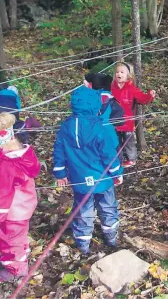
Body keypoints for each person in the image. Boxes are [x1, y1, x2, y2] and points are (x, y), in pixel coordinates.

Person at [53, 87, 124, 254]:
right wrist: (117, 173)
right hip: (103, 178)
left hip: (80, 179)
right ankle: (111, 236)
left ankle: (83, 243)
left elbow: (58, 150)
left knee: (83, 210)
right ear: (94, 106)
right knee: (107, 206)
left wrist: (60, 173)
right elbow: (109, 155)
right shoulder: (99, 127)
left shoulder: (66, 126)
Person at [0, 112, 41, 282]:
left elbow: (0, 194)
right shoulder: (23, 156)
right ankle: (22, 254)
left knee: (9, 240)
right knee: (19, 235)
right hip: (24, 205)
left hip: (11, 212)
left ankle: (16, 269)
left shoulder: (5, 166)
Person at [111, 62, 156, 167]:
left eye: (122, 72)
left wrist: (150, 95)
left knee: (128, 142)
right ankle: (118, 159)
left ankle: (131, 159)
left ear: (128, 75)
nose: (119, 74)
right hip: (114, 122)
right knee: (115, 142)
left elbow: (143, 98)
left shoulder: (132, 89)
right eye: (117, 72)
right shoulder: (111, 88)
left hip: (127, 123)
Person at [84, 72, 125, 156]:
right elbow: (120, 120)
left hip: (90, 137)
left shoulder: (86, 101)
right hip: (109, 137)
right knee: (115, 157)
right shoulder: (111, 102)